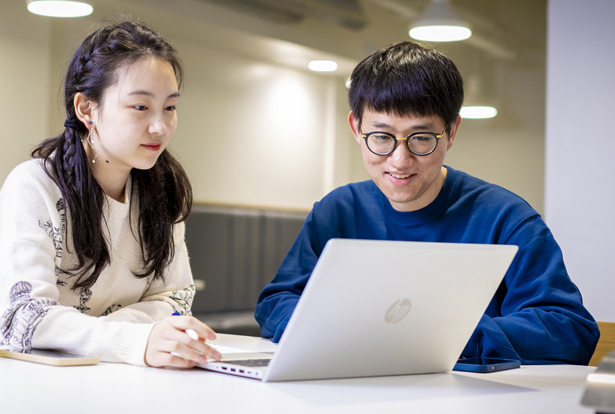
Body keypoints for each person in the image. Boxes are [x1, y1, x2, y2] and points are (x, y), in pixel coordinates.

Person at [254, 41, 600, 365]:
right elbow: (275, 302)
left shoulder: (506, 218)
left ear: (452, 132)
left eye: (421, 138)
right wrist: (330, 329)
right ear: (356, 127)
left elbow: (570, 330)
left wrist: (447, 336)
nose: (399, 161)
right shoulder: (338, 210)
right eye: (382, 137)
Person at [0, 19, 221, 368]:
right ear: (86, 109)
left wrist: (106, 334)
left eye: (170, 107)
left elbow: (176, 298)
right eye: (140, 107)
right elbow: (28, 317)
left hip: (99, 373)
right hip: (3, 375)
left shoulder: (162, 191)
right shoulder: (34, 185)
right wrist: (134, 339)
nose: (160, 126)